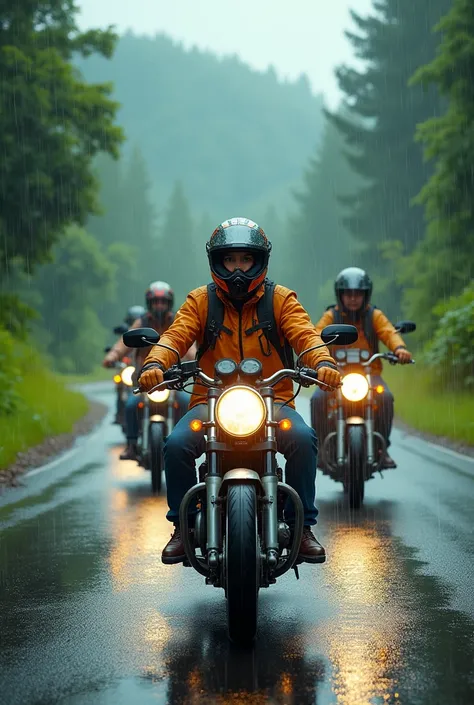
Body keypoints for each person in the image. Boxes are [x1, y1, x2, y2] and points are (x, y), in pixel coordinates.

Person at [137, 217, 342, 565]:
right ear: (217, 262)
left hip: (272, 399)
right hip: (210, 402)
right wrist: (155, 364)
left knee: (304, 439)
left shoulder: (281, 299)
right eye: (230, 260)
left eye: (245, 260)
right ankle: (182, 527)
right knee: (175, 445)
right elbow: (175, 336)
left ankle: (302, 526)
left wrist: (323, 361)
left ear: (259, 261)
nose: (237, 270)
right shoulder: (201, 301)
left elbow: (306, 335)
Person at [310, 267, 413, 469]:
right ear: (340, 295)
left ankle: (382, 448)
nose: (353, 298)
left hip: (369, 375)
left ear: (366, 295)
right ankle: (321, 448)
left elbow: (388, 332)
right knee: (317, 399)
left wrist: (400, 348)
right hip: (336, 375)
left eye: (358, 293)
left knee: (385, 398)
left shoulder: (373, 315)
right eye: (348, 294)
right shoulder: (332, 315)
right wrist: (313, 352)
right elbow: (316, 334)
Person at [103, 281, 194, 460]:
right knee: (130, 406)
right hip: (144, 382)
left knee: (187, 403)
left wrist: (196, 359)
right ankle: (131, 445)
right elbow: (124, 343)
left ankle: (186, 443)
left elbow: (189, 344)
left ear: (169, 303)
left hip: (171, 381)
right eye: (155, 302)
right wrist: (113, 356)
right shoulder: (142, 321)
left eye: (162, 301)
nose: (159, 305)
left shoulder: (177, 320)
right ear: (149, 304)